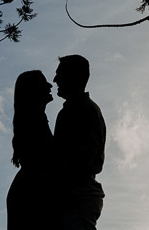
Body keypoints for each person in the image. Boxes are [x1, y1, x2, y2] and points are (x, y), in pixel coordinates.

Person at [53, 54, 105, 230]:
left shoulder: (86, 110)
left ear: (74, 77)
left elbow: (82, 159)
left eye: (59, 74)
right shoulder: (68, 112)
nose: (55, 80)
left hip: (78, 197)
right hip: (71, 197)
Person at [7, 70, 59, 230]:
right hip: (32, 194)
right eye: (43, 82)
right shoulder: (34, 122)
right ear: (33, 91)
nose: (50, 85)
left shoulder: (35, 120)